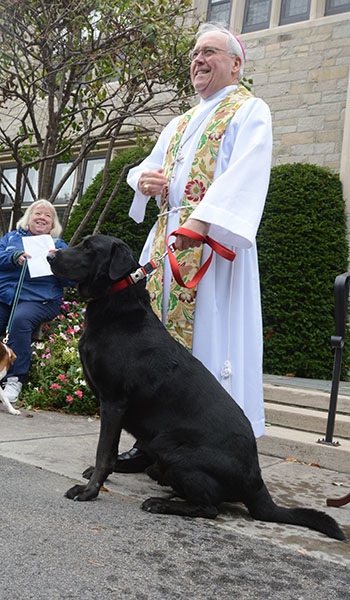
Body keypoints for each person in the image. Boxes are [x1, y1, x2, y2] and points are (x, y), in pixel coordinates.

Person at [119, 22, 273, 472]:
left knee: (210, 342)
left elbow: (246, 174)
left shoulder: (250, 110)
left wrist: (200, 223)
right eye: (193, 54)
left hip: (209, 247)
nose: (198, 60)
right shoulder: (180, 122)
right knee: (156, 347)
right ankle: (153, 443)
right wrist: (143, 182)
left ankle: (213, 449)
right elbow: (145, 169)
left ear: (235, 63)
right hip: (166, 243)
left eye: (208, 52)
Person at [0, 199, 71, 404]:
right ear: (28, 218)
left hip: (41, 299)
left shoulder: (58, 246)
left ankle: (14, 378)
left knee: (20, 320)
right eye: (37, 213)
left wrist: (60, 263)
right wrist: (13, 257)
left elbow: (71, 279)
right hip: (6, 296)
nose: (42, 217)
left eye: (48, 216)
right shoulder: (11, 238)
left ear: (52, 225)